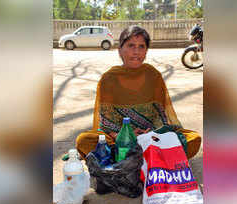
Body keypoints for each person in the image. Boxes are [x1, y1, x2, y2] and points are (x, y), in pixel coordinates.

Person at [76, 25, 201, 159]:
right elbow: (106, 122)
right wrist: (125, 135)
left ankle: (126, 158)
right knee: (84, 140)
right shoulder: (109, 78)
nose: (136, 51)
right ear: (120, 50)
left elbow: (160, 115)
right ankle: (148, 157)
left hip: (152, 135)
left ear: (146, 51)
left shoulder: (153, 75)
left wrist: (150, 134)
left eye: (141, 46)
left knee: (193, 139)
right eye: (131, 45)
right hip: (119, 138)